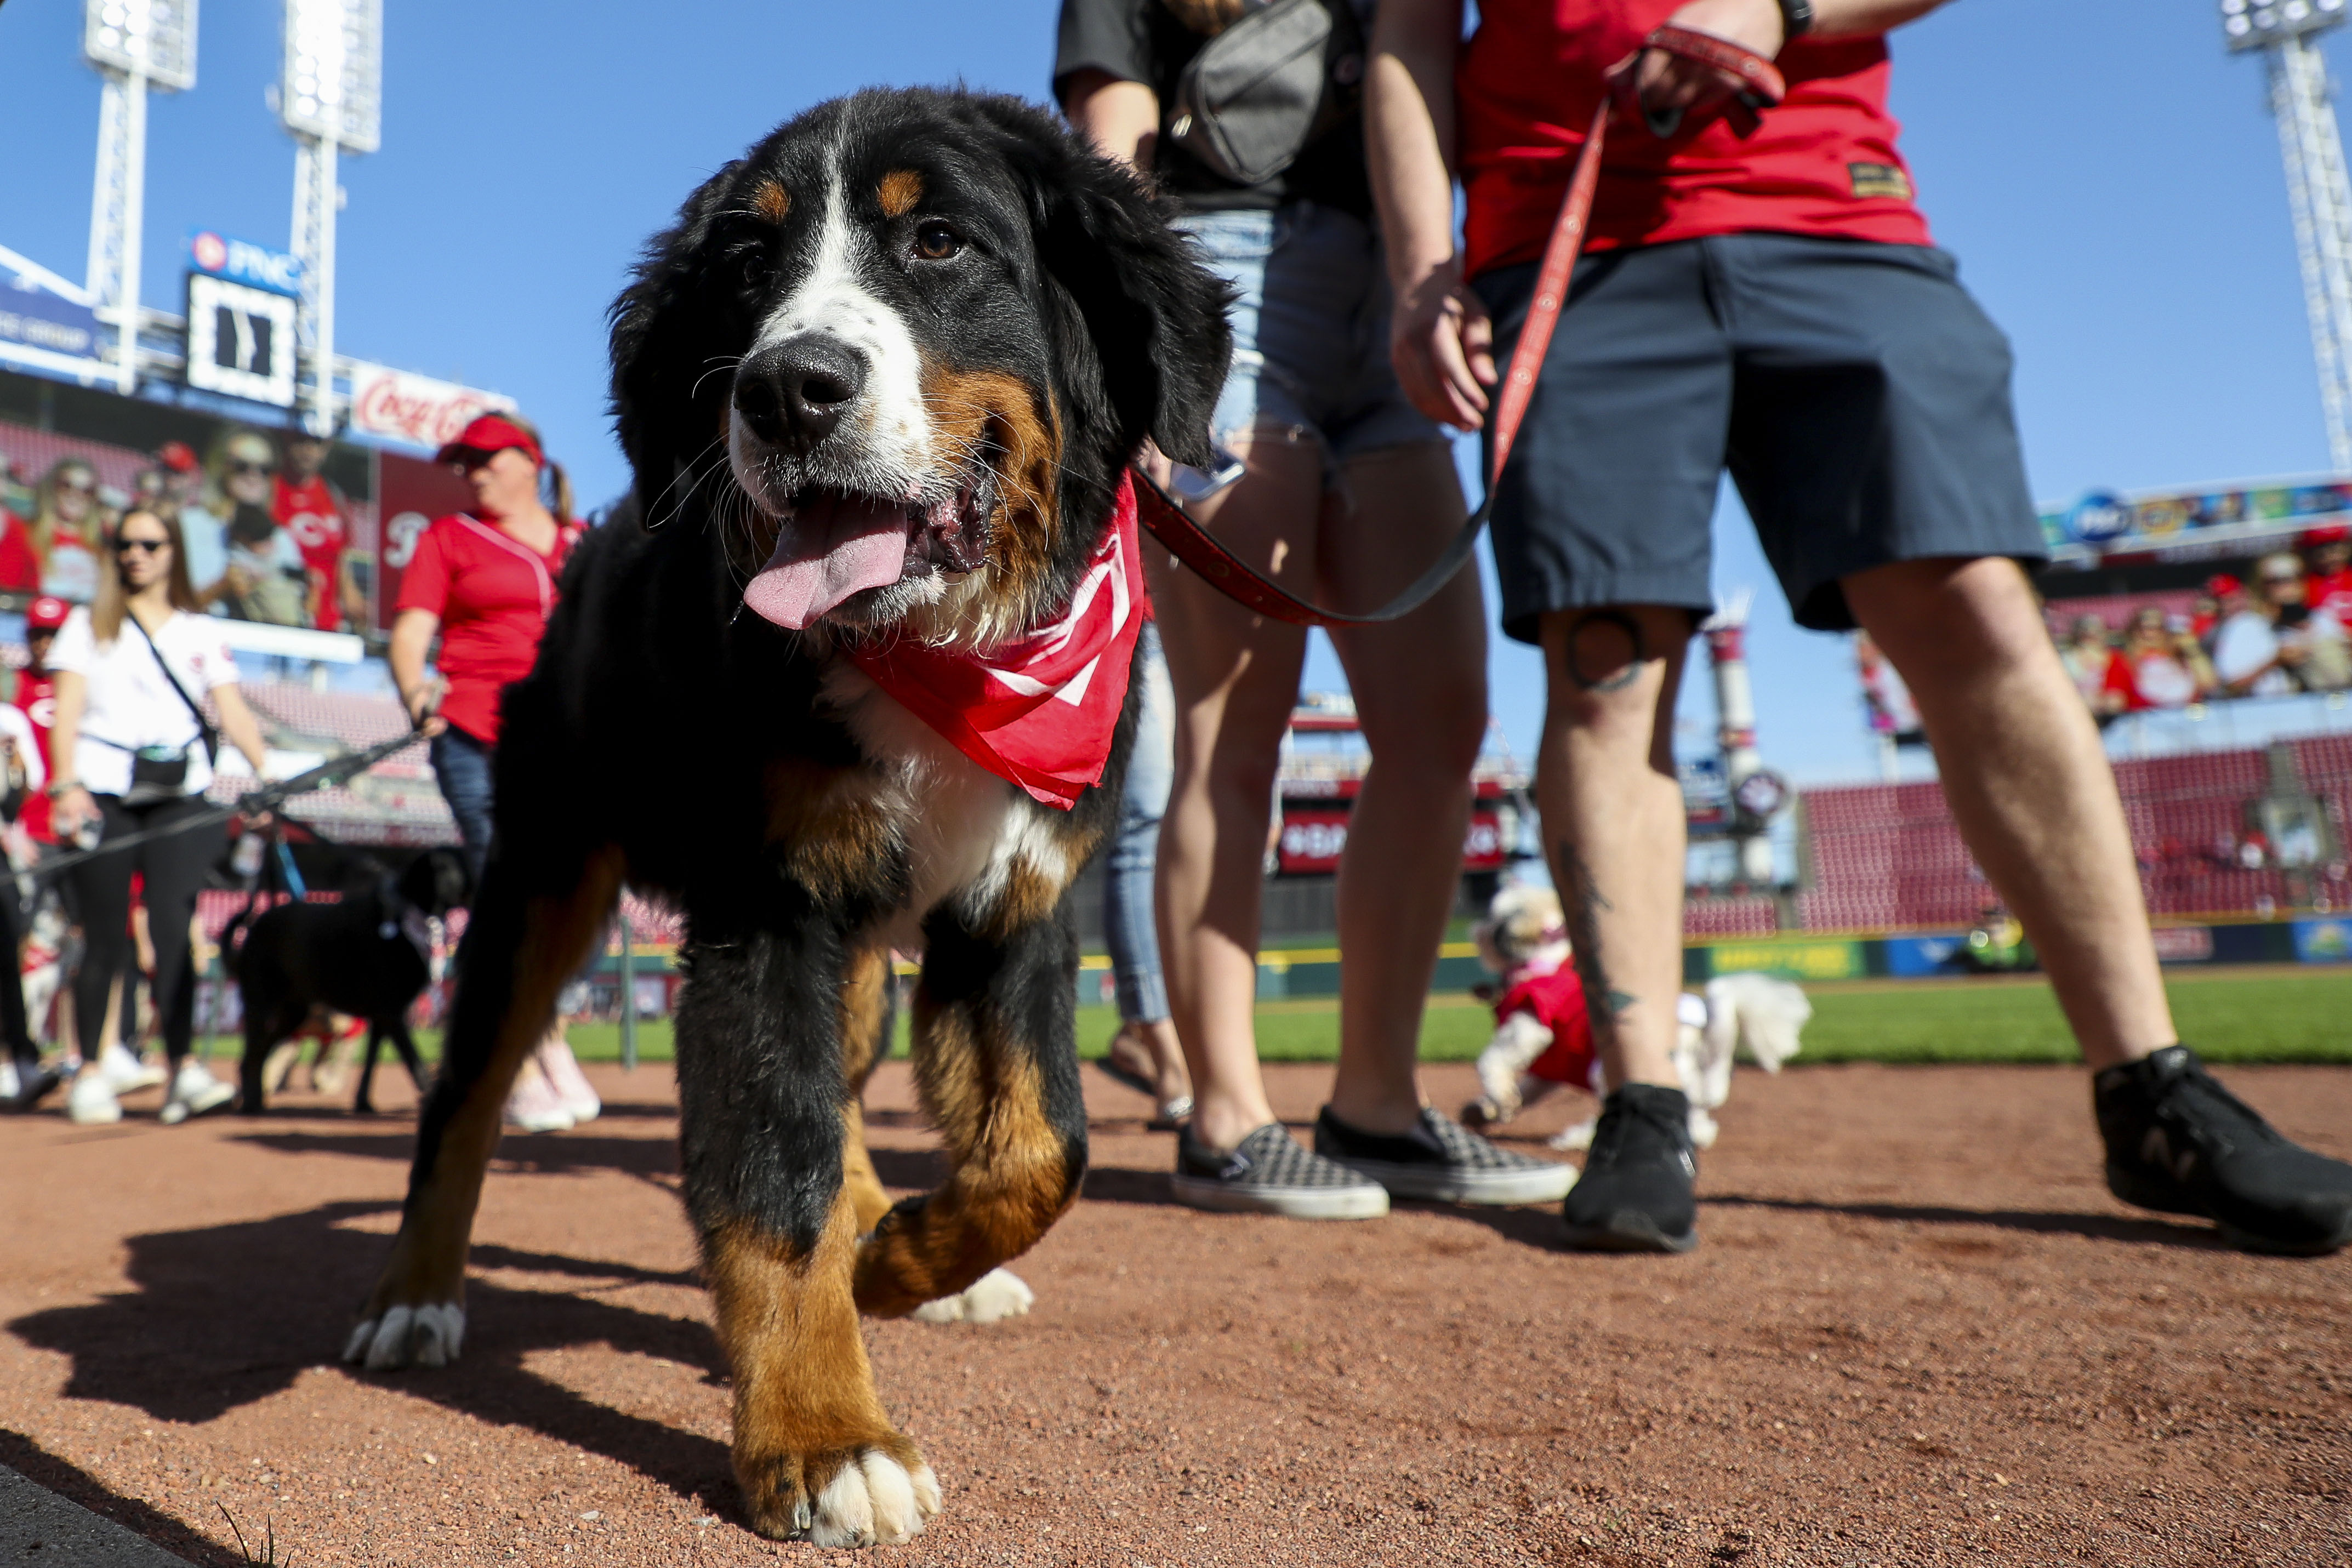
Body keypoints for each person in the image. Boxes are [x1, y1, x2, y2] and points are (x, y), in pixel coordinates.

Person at [1370, 0, 2352, 1254]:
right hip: (1561, 245)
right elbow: (1406, 35)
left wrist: (1778, 8)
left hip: (1833, 211)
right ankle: (1644, 1100)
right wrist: (1419, 270)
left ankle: (2152, 1085)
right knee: (1606, 669)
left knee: (1981, 614)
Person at [1057, 0, 1573, 1219]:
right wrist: (1132, 342)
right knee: (1236, 726)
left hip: (1395, 281)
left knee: (1440, 724)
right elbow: (1110, 134)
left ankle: (1378, 1105)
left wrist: (1430, 275)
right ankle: (1225, 1117)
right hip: (1219, 279)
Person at [388, 411, 599, 1133]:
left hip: (573, 742)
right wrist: (415, 693)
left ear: (530, 460)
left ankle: (539, 1040)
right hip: (477, 733)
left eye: (486, 458)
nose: (472, 472)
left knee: (576, 898)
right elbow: (412, 630)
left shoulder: (583, 543)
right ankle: (534, 1056)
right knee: (508, 885)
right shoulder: (447, 538)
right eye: (463, 462)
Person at [46, 509, 274, 1126]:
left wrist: (267, 772)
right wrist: (66, 785)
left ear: (174, 549)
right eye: (126, 544)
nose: (137, 554)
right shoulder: (85, 626)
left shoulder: (200, 631)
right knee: (106, 934)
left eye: (151, 542)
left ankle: (183, 1070)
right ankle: (89, 1070)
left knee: (175, 931)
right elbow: (65, 714)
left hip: (185, 794)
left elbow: (232, 710)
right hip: (105, 791)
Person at [1095, 622, 1194, 1126]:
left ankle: (1144, 1035)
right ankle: (1167, 1058)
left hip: (1194, 632)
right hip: (1130, 620)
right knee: (1142, 829)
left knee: (1185, 826)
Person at [275, 424, 363, 632]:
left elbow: (341, 555)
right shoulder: (271, 489)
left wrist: (351, 595)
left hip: (329, 624)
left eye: (316, 443)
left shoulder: (334, 496)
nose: (308, 450)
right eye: (301, 440)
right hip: (285, 619)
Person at [2102, 607, 2215, 712]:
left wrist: (2192, 649)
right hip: (2147, 720)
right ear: (2133, 631)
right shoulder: (2122, 661)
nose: (2149, 634)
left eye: (2157, 628)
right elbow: (2115, 702)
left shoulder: (2179, 656)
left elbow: (2209, 684)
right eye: (2143, 628)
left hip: (2187, 716)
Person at [29, 458, 105, 603]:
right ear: (51, 488)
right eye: (66, 486)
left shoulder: (101, 550)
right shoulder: (26, 534)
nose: (76, 495)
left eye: (87, 491)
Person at [2056, 614, 2119, 715]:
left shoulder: (2114, 658)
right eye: (2086, 632)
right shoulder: (2066, 659)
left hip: (2107, 712)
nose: (2091, 634)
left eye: (2096, 631)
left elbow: (2119, 694)